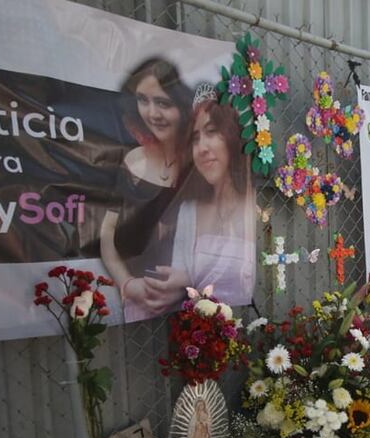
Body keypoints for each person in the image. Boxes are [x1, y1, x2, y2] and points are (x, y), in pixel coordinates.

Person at [143, 93, 257, 314]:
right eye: (195, 138)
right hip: (205, 329)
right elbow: (182, 279)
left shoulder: (255, 204)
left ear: (232, 137)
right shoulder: (188, 212)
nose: (202, 147)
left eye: (212, 132)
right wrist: (177, 280)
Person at [99, 58, 193, 321]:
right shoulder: (132, 161)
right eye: (143, 100)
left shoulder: (200, 165)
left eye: (163, 103)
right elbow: (107, 232)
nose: (152, 113)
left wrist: (186, 282)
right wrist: (127, 283)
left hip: (192, 304)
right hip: (136, 302)